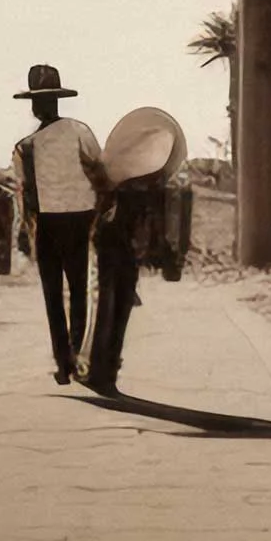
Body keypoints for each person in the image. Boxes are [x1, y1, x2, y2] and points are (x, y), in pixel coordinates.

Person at [81, 106, 191, 396]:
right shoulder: (118, 185)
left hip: (125, 250)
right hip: (115, 247)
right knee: (111, 305)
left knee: (117, 306)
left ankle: (105, 371)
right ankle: (101, 371)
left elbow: (152, 223)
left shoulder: (141, 186)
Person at [10, 62, 105, 383]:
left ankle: (63, 362)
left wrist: (23, 229)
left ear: (36, 106)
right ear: (57, 101)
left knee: (52, 293)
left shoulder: (25, 147)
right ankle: (79, 354)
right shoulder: (80, 131)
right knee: (78, 288)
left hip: (47, 223)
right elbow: (99, 167)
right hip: (80, 219)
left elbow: (24, 193)